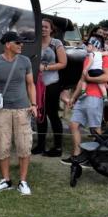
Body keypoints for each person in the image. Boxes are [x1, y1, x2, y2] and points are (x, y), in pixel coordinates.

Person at [0, 31, 37, 195]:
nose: (22, 45)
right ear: (8, 44)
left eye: (22, 43)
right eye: (18, 43)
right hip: (2, 111)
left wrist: (34, 104)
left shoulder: (25, 61)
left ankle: (23, 181)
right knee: (2, 146)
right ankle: (6, 180)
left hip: (22, 110)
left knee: (24, 146)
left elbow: (31, 84)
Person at [62, 34, 108, 166]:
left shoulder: (105, 57)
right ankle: (77, 155)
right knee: (74, 124)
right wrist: (74, 97)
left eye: (89, 43)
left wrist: (90, 79)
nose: (86, 46)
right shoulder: (87, 58)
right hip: (84, 96)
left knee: (95, 129)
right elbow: (81, 79)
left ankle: (97, 158)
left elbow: (107, 77)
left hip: (96, 96)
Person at [32, 18, 68, 157]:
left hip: (52, 83)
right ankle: (40, 145)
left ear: (51, 29)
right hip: (37, 84)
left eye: (46, 27)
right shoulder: (35, 42)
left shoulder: (56, 43)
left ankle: (57, 147)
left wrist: (45, 67)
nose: (43, 29)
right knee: (40, 114)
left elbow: (63, 63)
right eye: (41, 26)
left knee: (52, 115)